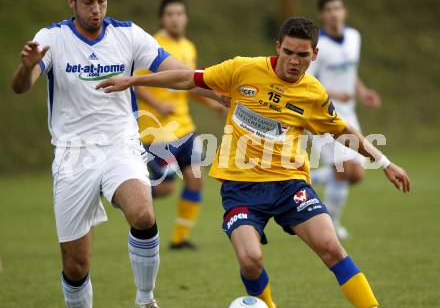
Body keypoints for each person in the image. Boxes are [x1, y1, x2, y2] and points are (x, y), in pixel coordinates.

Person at [97, 17, 410, 308]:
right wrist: (134, 81)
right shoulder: (242, 69)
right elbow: (188, 79)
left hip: (289, 185)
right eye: (288, 52)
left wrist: (385, 163)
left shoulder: (312, 93)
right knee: (250, 260)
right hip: (241, 188)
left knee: (331, 247)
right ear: (277, 47)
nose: (294, 61)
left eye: (302, 55)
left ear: (314, 54)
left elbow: (342, 131)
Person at [10, 0, 221, 307]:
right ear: (72, 3)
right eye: (88, 2)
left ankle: (145, 299)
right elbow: (20, 87)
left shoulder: (128, 34)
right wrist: (26, 67)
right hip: (73, 154)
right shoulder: (51, 37)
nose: (96, 9)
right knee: (76, 266)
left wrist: (219, 93)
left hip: (120, 145)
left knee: (143, 213)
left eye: (101, 1)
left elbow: (179, 74)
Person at [135, 0, 226, 250]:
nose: (175, 19)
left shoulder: (189, 47)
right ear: (162, 18)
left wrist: (213, 103)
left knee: (196, 179)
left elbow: (190, 85)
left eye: (179, 14)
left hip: (185, 128)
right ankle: (126, 193)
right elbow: (136, 83)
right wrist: (157, 105)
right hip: (157, 133)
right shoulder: (152, 46)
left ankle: (179, 239)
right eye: (170, 14)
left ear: (185, 18)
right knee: (165, 189)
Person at [308, 0, 382, 239]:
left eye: (337, 8)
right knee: (344, 170)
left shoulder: (354, 37)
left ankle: (311, 176)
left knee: (356, 173)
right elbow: (307, 81)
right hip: (322, 114)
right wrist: (334, 94)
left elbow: (352, 72)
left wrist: (362, 92)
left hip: (349, 112)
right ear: (322, 15)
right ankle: (332, 227)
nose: (334, 13)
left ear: (344, 11)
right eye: (329, 9)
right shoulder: (317, 46)